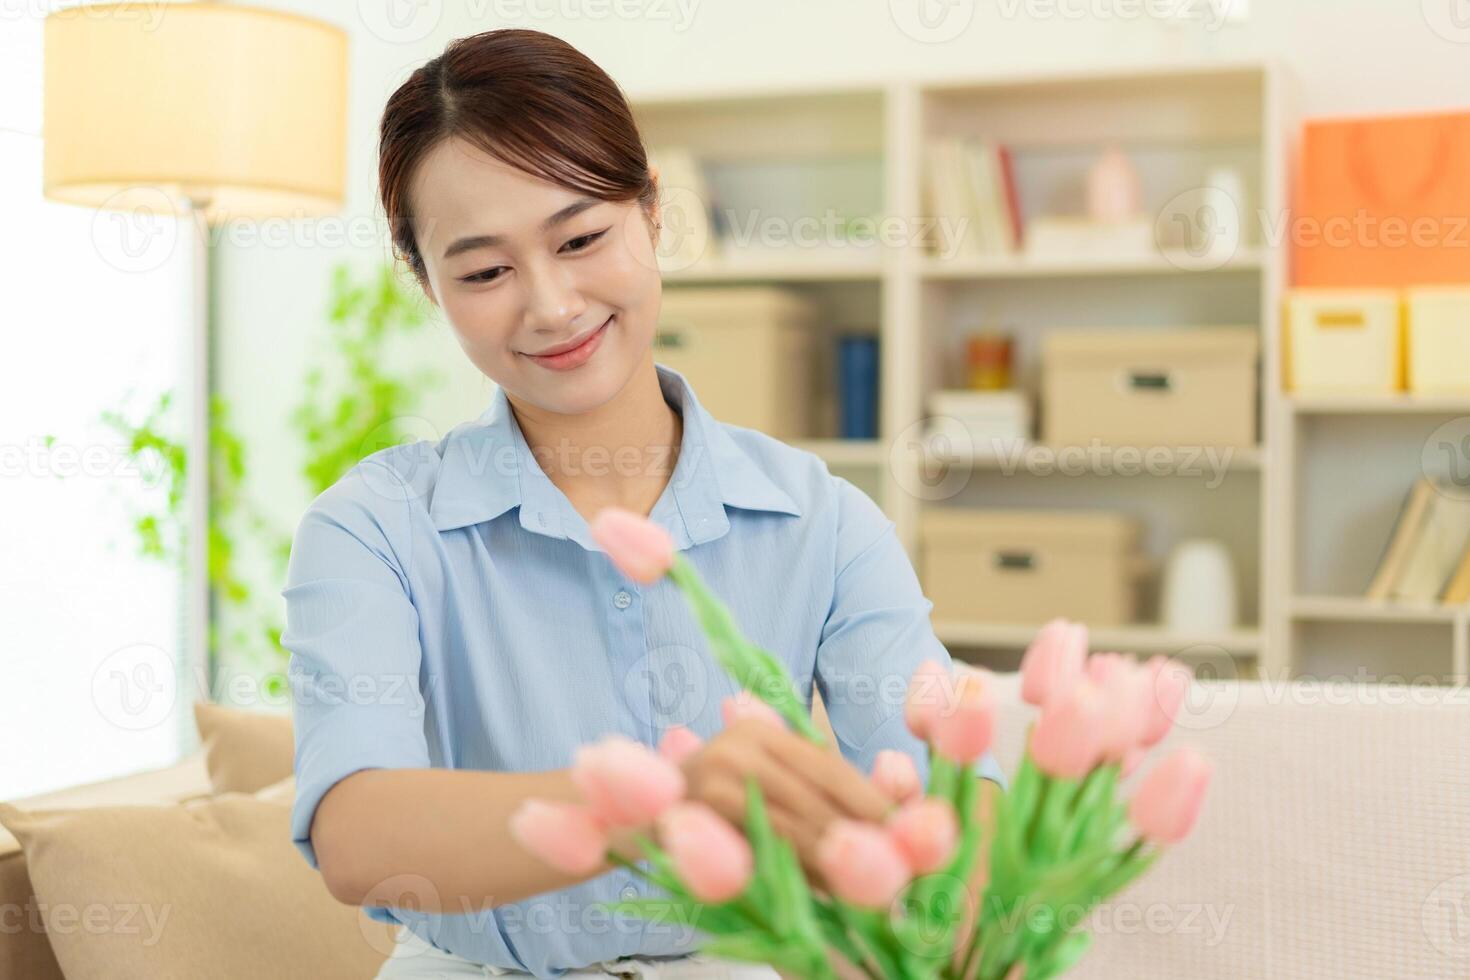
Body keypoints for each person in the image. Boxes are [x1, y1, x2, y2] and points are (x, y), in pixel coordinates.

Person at [281, 27, 1006, 980]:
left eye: (582, 238)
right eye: (484, 271)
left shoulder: (821, 522)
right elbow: (359, 833)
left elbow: (955, 804)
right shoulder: (372, 528)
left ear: (651, 215)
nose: (549, 305)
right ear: (427, 281)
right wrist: (661, 803)